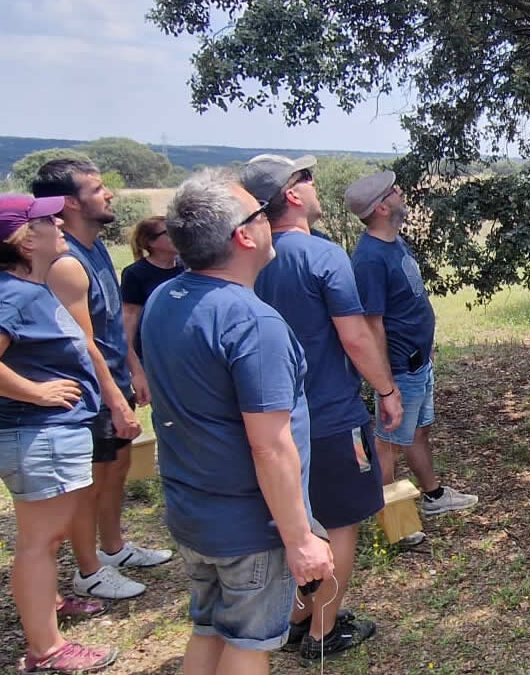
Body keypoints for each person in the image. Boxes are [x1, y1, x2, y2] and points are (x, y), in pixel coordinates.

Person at [141, 168, 334, 675]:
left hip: (194, 513)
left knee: (209, 632)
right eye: (260, 212)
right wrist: (299, 539)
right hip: (251, 527)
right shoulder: (254, 323)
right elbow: (269, 447)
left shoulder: (166, 298)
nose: (270, 219)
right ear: (243, 235)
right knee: (249, 646)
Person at [242, 153, 401, 660]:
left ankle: (295, 616)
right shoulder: (322, 255)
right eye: (306, 178)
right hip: (332, 416)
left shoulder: (244, 258)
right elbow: (354, 336)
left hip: (266, 422)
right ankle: (323, 633)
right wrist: (388, 391)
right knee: (339, 524)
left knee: (296, 523)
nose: (314, 186)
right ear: (292, 194)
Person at [34, 159, 170, 601]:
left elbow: (111, 324)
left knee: (118, 468)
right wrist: (113, 398)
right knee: (90, 481)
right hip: (88, 391)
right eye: (97, 189)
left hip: (114, 379)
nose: (108, 193)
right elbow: (81, 341)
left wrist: (133, 367)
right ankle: (89, 569)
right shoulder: (67, 261)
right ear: (71, 202)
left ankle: (114, 548)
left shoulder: (93, 249)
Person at [0, 194, 117, 673]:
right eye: (48, 219)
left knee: (46, 537)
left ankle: (46, 606)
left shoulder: (30, 287)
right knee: (39, 541)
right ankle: (45, 651)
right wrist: (35, 393)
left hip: (51, 433)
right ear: (26, 239)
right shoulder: (12, 295)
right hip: (37, 432)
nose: (59, 223)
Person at [346, 171, 477, 522]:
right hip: (400, 371)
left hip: (419, 363)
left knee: (420, 432)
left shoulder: (395, 243)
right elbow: (372, 328)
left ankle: (433, 495)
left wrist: (427, 345)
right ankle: (395, 522)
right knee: (386, 446)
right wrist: (387, 387)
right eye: (393, 191)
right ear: (381, 208)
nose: (400, 192)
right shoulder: (370, 259)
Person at [120, 216, 183, 361]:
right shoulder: (135, 273)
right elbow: (130, 317)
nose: (177, 235)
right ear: (151, 242)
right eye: (168, 232)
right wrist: (134, 365)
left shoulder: (187, 268)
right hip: (152, 355)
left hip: (182, 351)